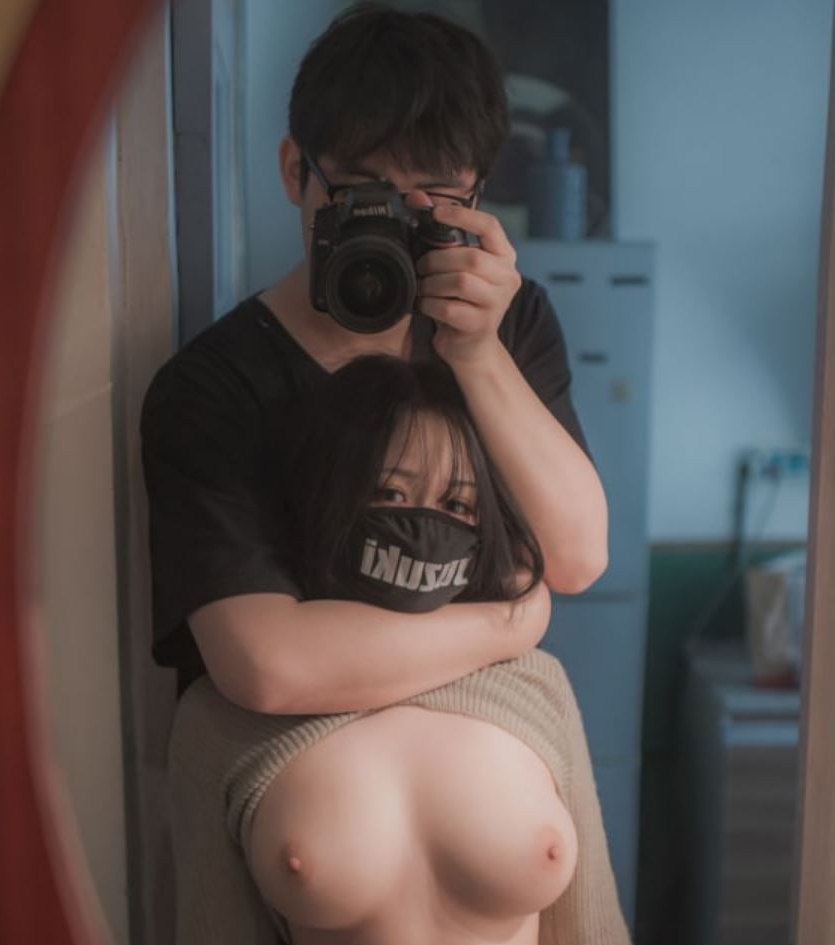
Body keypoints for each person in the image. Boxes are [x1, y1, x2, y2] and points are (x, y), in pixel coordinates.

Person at [154, 355, 668, 945]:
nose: (421, 522)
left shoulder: (532, 687)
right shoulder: (225, 716)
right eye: (389, 493)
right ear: (328, 495)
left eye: (458, 504)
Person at [140, 2, 608, 716]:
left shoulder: (510, 322)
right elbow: (269, 669)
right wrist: (512, 622)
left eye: (432, 200)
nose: (386, 227)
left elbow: (576, 559)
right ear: (295, 171)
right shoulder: (212, 384)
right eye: (361, 195)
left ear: (476, 195)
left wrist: (478, 356)